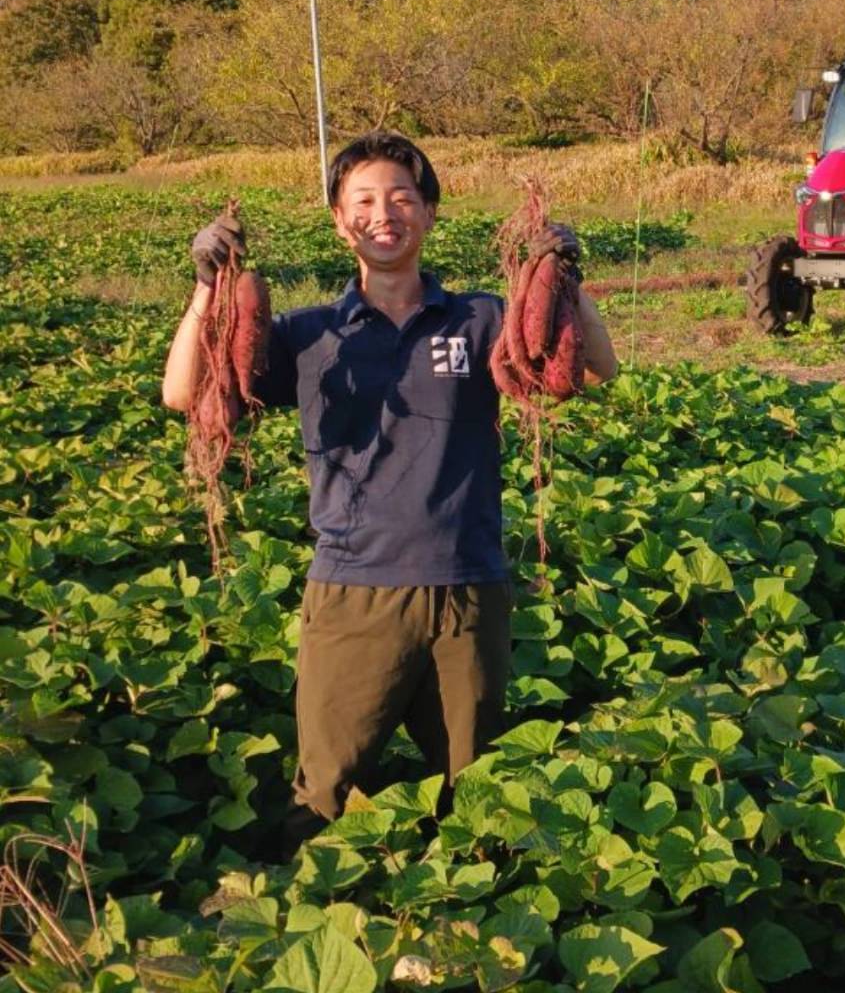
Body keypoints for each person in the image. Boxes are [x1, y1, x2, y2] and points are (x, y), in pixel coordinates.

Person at [161, 132, 618, 852]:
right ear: (340, 222)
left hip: (468, 589)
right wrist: (207, 286)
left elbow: (589, 372)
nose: (384, 214)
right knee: (324, 790)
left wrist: (562, 277)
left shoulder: (480, 319)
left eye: (402, 198)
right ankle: (313, 901)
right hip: (353, 592)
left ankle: (464, 903)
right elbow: (185, 392)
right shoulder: (308, 335)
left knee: (476, 788)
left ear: (429, 212)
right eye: (365, 201)